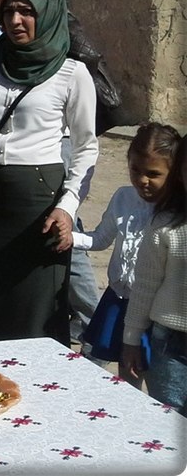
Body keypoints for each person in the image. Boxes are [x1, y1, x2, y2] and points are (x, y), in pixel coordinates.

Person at [0, 0, 98, 344]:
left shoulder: (72, 73)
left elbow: (86, 148)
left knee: (34, 312)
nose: (15, 20)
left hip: (39, 208)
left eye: (27, 12)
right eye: (9, 11)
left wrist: (67, 207)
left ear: (49, 15)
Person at [62, 123, 179, 378]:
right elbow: (101, 239)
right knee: (124, 372)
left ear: (174, 172)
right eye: (135, 170)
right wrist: (71, 238)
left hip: (154, 309)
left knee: (153, 374)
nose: (142, 180)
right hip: (119, 299)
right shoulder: (123, 198)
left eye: (153, 174)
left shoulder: (175, 212)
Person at [121, 135, 187, 415]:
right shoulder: (165, 224)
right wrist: (131, 340)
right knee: (170, 422)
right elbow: (145, 285)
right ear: (180, 173)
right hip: (171, 346)